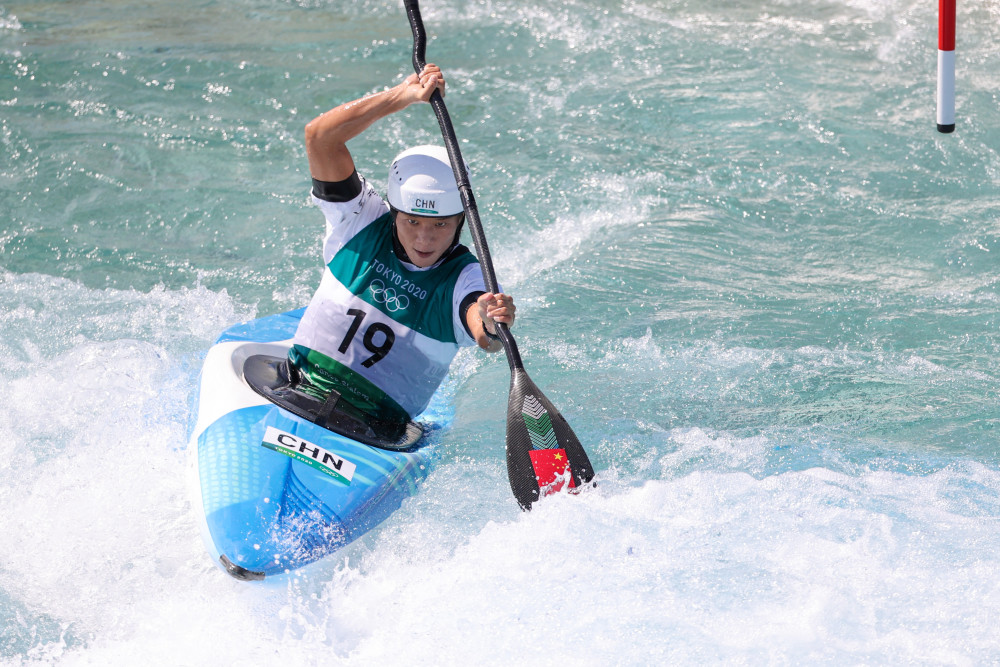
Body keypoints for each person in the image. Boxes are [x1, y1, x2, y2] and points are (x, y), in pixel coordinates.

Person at [287, 63, 515, 436]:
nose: (424, 240)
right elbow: (320, 137)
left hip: (379, 429)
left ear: (461, 221)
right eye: (412, 222)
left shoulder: (466, 276)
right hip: (296, 384)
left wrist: (490, 319)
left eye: (440, 225)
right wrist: (402, 95)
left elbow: (481, 327)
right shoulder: (360, 220)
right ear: (393, 212)